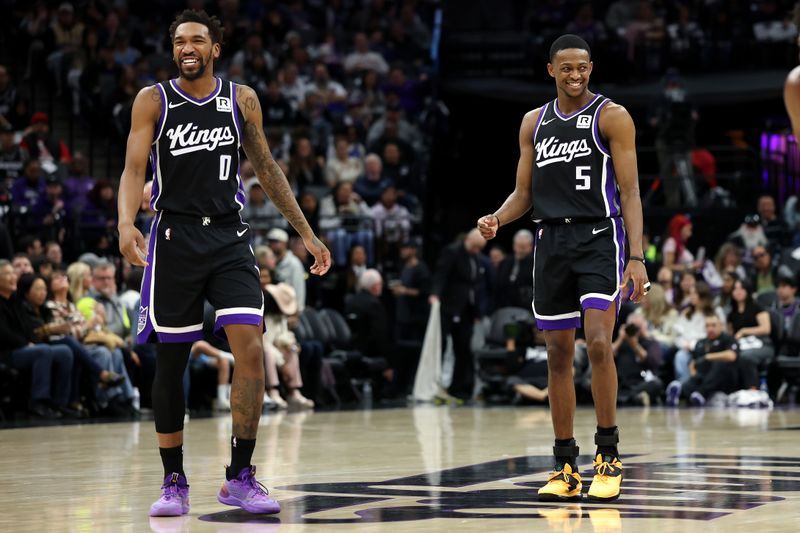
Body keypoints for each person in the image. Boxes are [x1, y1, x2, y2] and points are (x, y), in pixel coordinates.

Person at [116, 10, 330, 518]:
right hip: (173, 237)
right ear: (174, 51)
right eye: (179, 41)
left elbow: (268, 169)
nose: (187, 47)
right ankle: (174, 480)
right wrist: (126, 224)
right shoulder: (153, 100)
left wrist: (306, 232)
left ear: (215, 49)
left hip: (229, 238)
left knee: (251, 348)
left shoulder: (241, 99)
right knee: (172, 358)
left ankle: (240, 476)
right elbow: (132, 168)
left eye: (197, 40)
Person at [476, 34, 648, 503]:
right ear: (551, 70)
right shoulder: (534, 122)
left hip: (599, 237)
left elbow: (630, 192)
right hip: (551, 240)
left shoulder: (612, 116)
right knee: (555, 355)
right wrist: (497, 217)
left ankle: (608, 456)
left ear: (591, 68)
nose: (575, 75)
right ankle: (564, 464)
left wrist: (637, 256)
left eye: (583, 67)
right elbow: (523, 195)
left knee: (597, 344)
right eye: (566, 68)